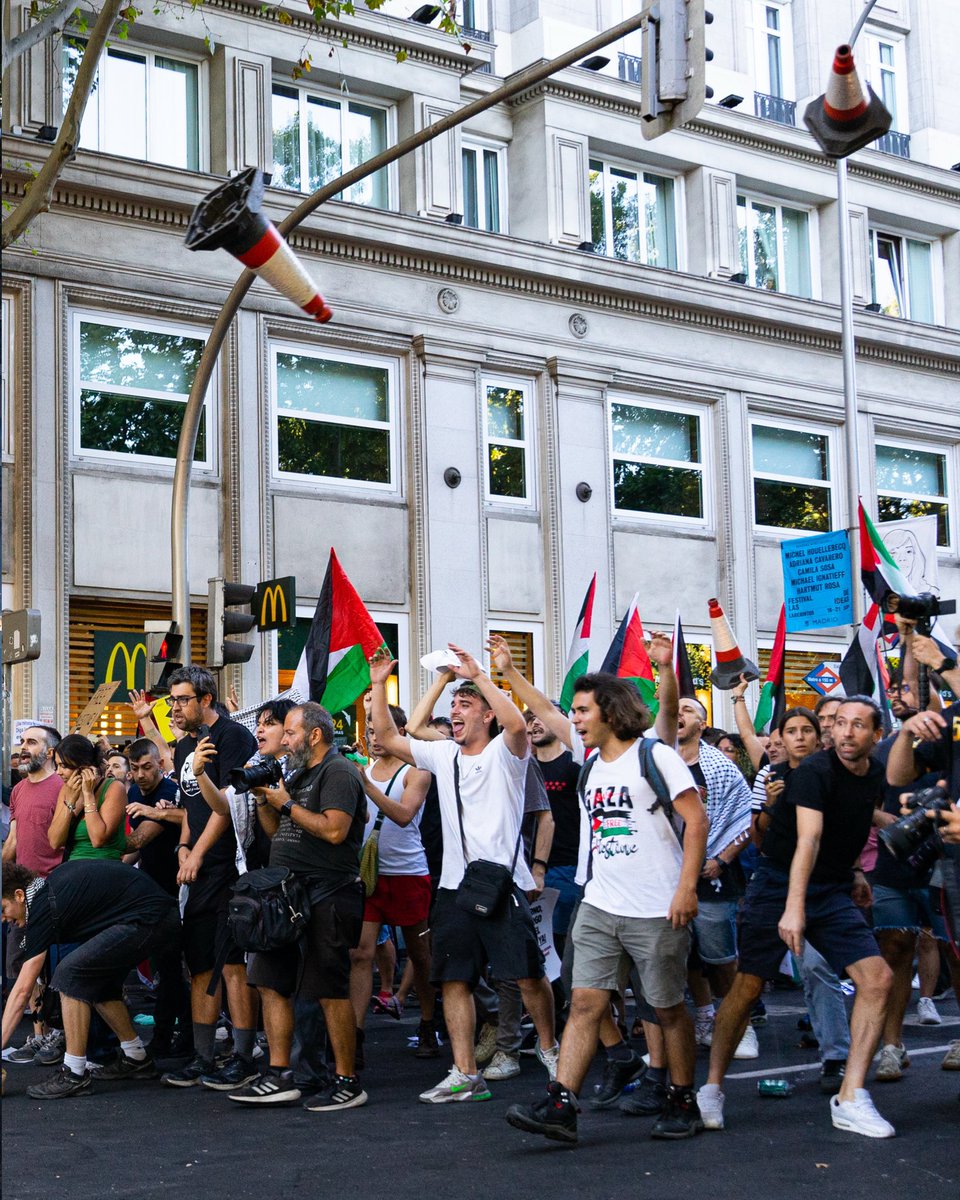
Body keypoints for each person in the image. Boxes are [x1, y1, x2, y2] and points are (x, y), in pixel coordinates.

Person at [505, 673, 708, 1144]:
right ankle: (561, 1104)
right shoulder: (592, 762)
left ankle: (682, 1098)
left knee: (666, 1008)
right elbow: (547, 710)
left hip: (657, 907)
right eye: (573, 711)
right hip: (599, 903)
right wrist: (507, 673)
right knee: (584, 1004)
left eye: (582, 711)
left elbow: (696, 819)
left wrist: (686, 889)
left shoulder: (654, 756)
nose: (573, 719)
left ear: (610, 713)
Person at [697, 697, 895, 1139]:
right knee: (747, 987)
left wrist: (859, 869)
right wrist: (793, 908)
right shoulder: (814, 773)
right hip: (777, 884)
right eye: (840, 723)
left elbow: (855, 818)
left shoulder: (874, 773)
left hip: (831, 887)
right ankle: (712, 1087)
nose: (846, 732)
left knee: (877, 978)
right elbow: (808, 840)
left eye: (858, 725)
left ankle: (850, 1096)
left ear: (876, 736)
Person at [369, 644, 559, 1104]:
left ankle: (553, 1051)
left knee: (527, 977)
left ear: (487, 715)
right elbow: (400, 734)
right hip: (455, 888)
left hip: (503, 884)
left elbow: (516, 724)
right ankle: (465, 1073)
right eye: (453, 705)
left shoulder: (507, 753)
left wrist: (483, 678)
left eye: (465, 704)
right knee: (453, 979)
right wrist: (383, 683)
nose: (454, 711)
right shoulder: (442, 755)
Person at [228, 702, 368, 1112]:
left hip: (328, 892)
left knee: (328, 989)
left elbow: (335, 830)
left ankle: (346, 1080)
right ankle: (278, 1074)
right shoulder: (298, 773)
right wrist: (265, 802)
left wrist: (287, 803)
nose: (284, 742)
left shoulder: (338, 771)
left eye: (289, 733)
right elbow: (277, 834)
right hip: (287, 895)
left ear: (315, 735)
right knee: (270, 982)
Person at [1, 859, 181, 1098]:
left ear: (19, 895)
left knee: (69, 973)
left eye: (3, 909)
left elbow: (23, 990)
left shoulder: (43, 905)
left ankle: (74, 1073)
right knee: (94, 979)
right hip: (152, 916)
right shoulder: (46, 893)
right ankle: (136, 1057)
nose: (3, 919)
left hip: (150, 919)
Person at [159, 666, 259, 1092]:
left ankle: (242, 1056)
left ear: (205, 699)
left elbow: (230, 808)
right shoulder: (184, 746)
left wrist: (197, 853)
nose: (174, 708)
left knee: (231, 964)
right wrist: (184, 846)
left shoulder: (234, 738)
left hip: (229, 869)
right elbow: (192, 807)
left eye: (181, 700)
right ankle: (202, 1057)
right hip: (197, 869)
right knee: (200, 963)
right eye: (171, 701)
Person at [884, 635, 960, 1075]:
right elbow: (898, 776)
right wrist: (909, 731)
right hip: (951, 865)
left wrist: (942, 661)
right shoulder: (951, 718)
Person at [349, 704, 438, 1063]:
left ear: (400, 733)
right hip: (371, 876)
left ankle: (428, 1022)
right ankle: (354, 1036)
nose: (375, 739)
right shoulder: (364, 769)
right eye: (370, 732)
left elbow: (403, 815)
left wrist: (367, 787)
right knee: (360, 953)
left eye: (383, 732)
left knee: (419, 953)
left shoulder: (416, 771)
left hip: (408, 875)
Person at [675, 698, 755, 1055]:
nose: (680, 713)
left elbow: (744, 817)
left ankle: (740, 1023)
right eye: (675, 708)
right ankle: (705, 1018)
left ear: (703, 724)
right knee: (686, 954)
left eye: (689, 710)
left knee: (720, 956)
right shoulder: (659, 760)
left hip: (713, 874)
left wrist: (722, 859)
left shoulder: (721, 768)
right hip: (670, 874)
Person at [123, 738, 190, 1060]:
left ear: (159, 766)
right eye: (134, 769)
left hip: (179, 888)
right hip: (151, 889)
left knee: (179, 969)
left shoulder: (168, 791)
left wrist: (98, 840)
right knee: (167, 969)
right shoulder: (134, 792)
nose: (140, 775)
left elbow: (139, 838)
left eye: (146, 767)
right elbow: (135, 850)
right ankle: (168, 1036)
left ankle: (183, 1036)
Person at [2, 725, 65, 1067]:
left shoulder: (62, 787)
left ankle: (57, 1033)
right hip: (19, 894)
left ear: (50, 752)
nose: (23, 748)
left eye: (31, 742)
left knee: (51, 968)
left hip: (53, 890)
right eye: (22, 742)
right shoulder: (19, 790)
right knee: (20, 965)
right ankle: (39, 1034)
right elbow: (13, 841)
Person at [47, 735, 127, 862]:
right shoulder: (66, 790)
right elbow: (55, 842)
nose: (58, 772)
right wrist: (71, 801)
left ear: (84, 767)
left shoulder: (114, 788)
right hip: (74, 867)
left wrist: (88, 795)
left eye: (64, 766)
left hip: (105, 867)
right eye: (57, 766)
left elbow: (98, 839)